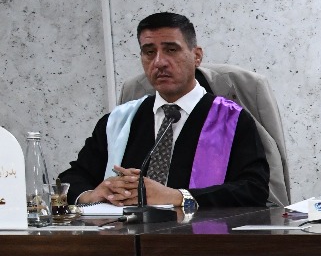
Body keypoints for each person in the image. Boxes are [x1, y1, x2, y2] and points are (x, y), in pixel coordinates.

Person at [60, 12, 269, 211]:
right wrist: (92, 195)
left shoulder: (231, 120)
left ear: (196, 56)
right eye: (149, 52)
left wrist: (177, 197)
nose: (159, 62)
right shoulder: (119, 121)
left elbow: (254, 190)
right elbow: (71, 179)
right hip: (127, 235)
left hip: (199, 234)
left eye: (171, 49)